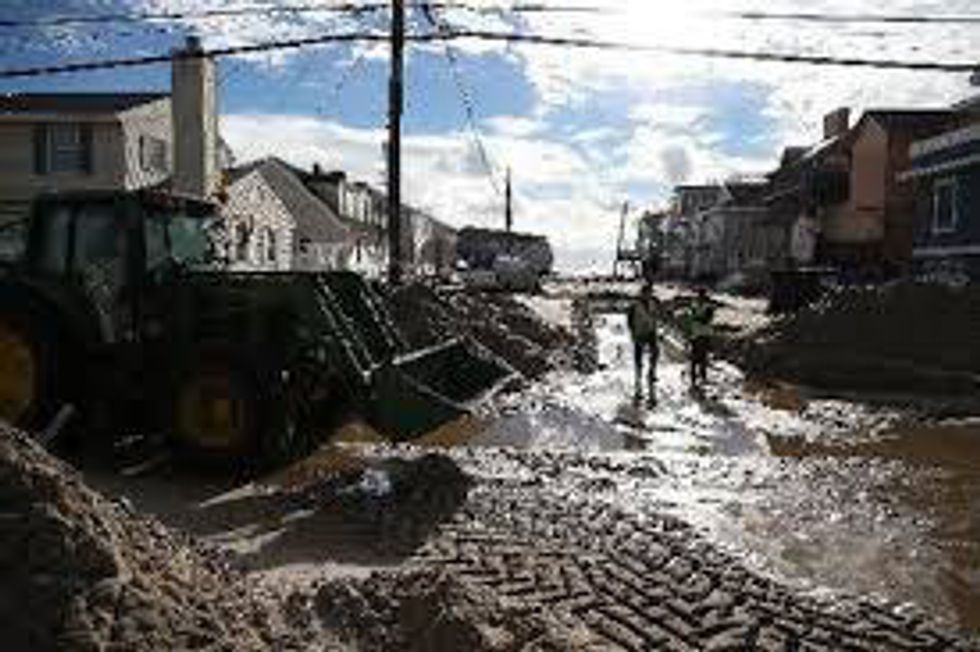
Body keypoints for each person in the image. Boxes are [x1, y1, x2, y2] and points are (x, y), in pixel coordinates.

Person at [626, 283, 661, 405]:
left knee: (655, 352)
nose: (648, 295)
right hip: (639, 333)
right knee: (638, 356)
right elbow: (629, 321)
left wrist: (656, 327)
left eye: (650, 293)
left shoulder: (653, 303)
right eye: (647, 293)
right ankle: (638, 377)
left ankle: (651, 372)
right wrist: (633, 333)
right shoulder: (635, 305)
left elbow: (656, 316)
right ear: (642, 293)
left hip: (651, 332)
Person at [684, 287, 716, 393]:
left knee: (702, 357)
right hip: (696, 334)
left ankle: (701, 377)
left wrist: (695, 318)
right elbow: (692, 319)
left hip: (704, 334)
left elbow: (706, 319)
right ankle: (694, 378)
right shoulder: (694, 306)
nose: (700, 298)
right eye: (699, 296)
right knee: (695, 357)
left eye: (701, 296)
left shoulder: (708, 307)